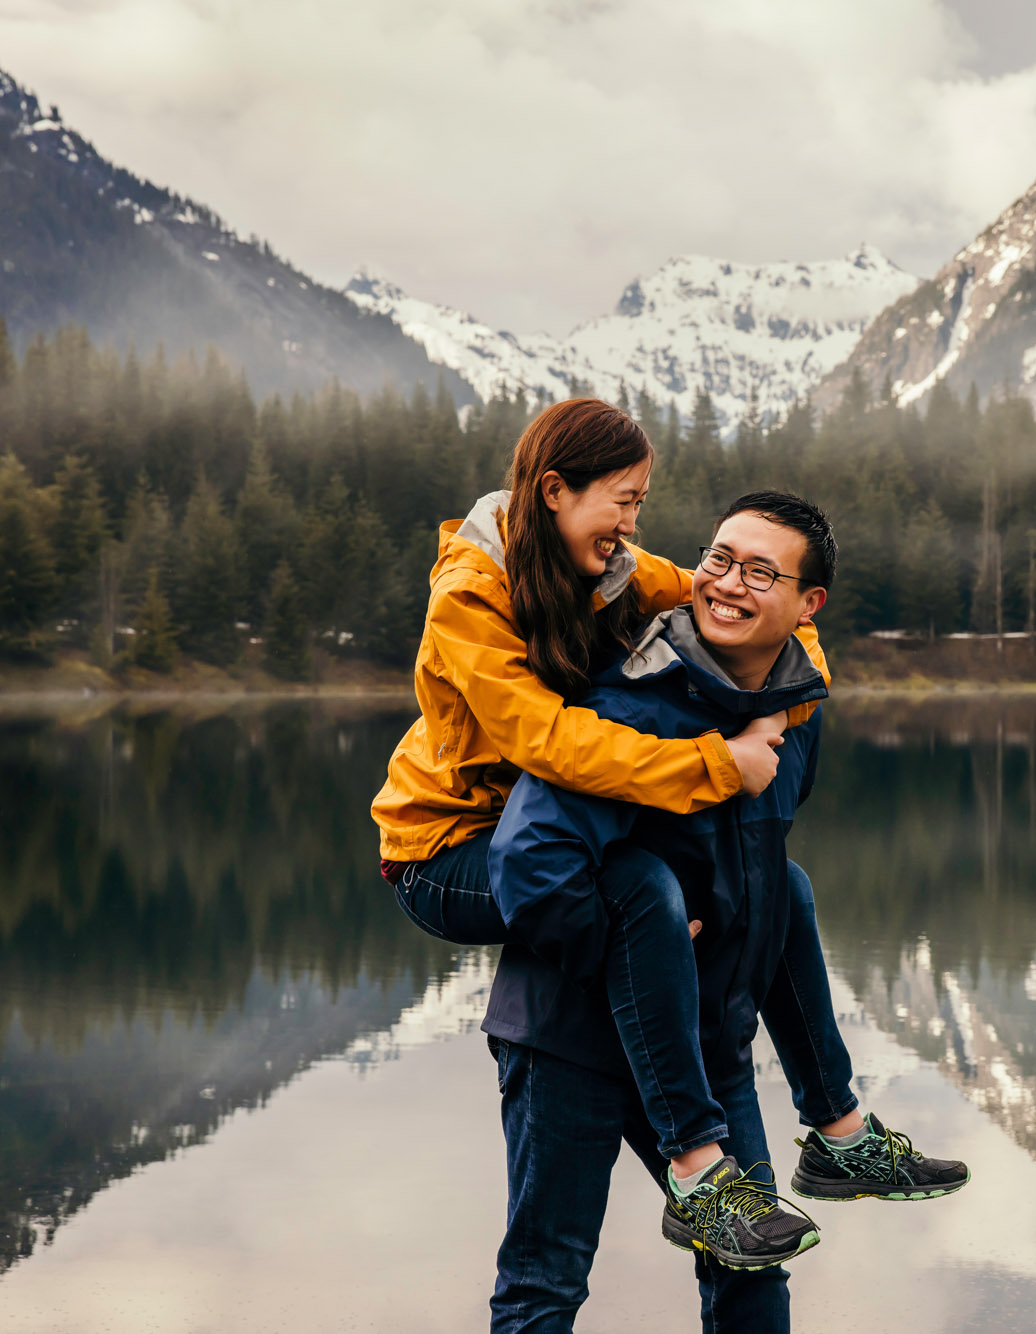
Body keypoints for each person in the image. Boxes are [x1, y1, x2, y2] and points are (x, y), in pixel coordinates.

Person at [368, 403, 966, 1261]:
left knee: (785, 887)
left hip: (546, 825)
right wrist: (717, 765)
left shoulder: (607, 565)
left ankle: (837, 1127)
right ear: (554, 492)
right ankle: (696, 1166)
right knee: (641, 893)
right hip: (445, 849)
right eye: (624, 500)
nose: (632, 525)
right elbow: (548, 742)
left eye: (641, 504)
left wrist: (792, 698)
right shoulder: (470, 597)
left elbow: (747, 607)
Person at [483, 493, 964, 1332]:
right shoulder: (630, 701)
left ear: (808, 606)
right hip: (571, 1041)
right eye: (717, 559)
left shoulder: (792, 717)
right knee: (545, 1285)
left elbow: (754, 870)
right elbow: (529, 863)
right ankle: (820, 1133)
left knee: (754, 1279)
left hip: (708, 1046)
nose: (727, 584)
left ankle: (839, 1129)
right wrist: (639, 953)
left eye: (760, 572)